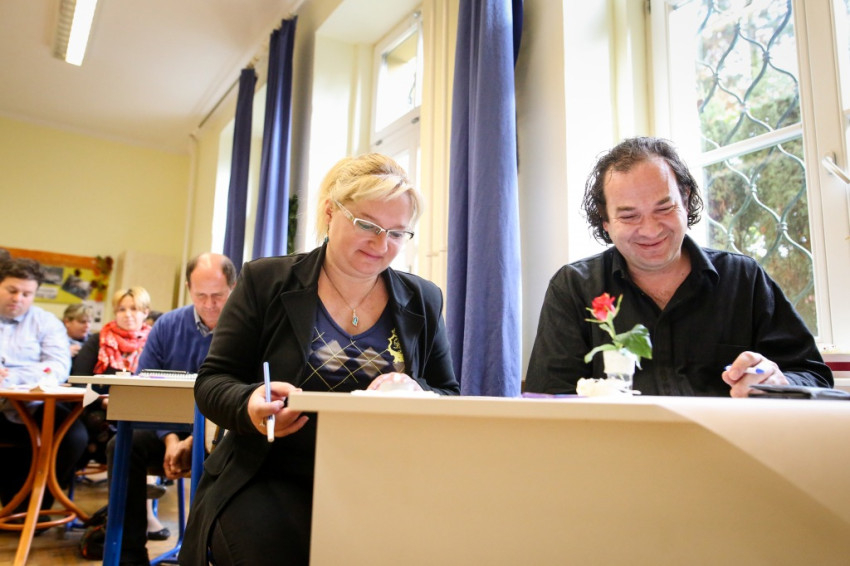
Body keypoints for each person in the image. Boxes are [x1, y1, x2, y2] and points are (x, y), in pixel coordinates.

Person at [179, 154, 460, 566]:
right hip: (269, 472)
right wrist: (250, 404)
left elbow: (448, 394)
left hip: (381, 478)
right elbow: (214, 381)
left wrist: (419, 395)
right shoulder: (265, 281)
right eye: (367, 225)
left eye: (397, 233)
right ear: (330, 212)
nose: (381, 244)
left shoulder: (423, 299)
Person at [525, 136, 833, 397]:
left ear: (685, 201)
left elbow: (813, 376)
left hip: (729, 448)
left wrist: (779, 382)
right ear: (605, 221)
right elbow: (549, 399)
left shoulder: (744, 279)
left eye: (664, 207)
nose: (650, 230)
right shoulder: (573, 288)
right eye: (629, 216)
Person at [105, 253, 236, 566]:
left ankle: (207, 554)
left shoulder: (245, 327)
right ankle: (129, 556)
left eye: (218, 295)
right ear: (188, 288)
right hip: (169, 430)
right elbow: (146, 389)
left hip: (223, 432)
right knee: (121, 447)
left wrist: (197, 439)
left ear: (233, 288)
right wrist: (170, 440)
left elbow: (244, 392)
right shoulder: (167, 325)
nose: (209, 305)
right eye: (200, 295)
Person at [0, 257, 88, 514]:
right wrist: (32, 371)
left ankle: (34, 508)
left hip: (34, 408)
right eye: (12, 290)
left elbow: (57, 367)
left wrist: (10, 376)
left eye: (27, 294)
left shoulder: (46, 322)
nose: (18, 298)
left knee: (75, 437)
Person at [71, 287, 152, 466]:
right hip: (100, 408)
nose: (127, 315)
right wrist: (104, 401)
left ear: (145, 312)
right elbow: (79, 382)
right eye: (122, 309)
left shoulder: (155, 341)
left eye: (134, 309)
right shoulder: (97, 340)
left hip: (143, 408)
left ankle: (141, 475)